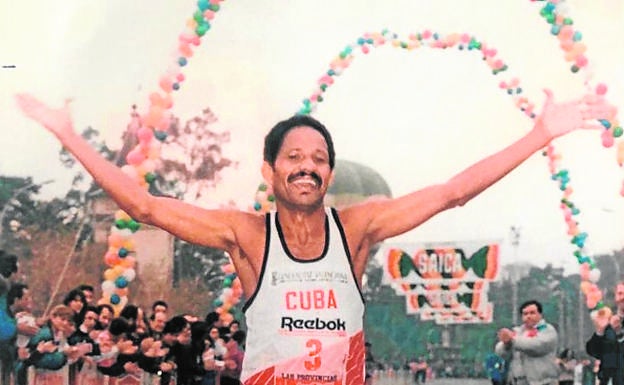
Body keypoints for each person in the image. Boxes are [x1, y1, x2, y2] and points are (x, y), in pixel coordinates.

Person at [14, 90, 615, 384]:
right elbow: (142, 205)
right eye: (293, 156)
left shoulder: (355, 228)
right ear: (270, 169)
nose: (306, 165)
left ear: (329, 170)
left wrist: (540, 134)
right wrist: (68, 133)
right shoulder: (245, 233)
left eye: (318, 157)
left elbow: (452, 191)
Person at [495, 300, 559, 385]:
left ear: (540, 315)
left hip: (543, 382)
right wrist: (506, 344)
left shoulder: (547, 330)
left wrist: (512, 340)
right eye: (525, 314)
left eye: (532, 313)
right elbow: (501, 353)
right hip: (518, 381)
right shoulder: (518, 332)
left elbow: (535, 346)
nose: (528, 316)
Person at [585, 282, 624, 385]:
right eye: (620, 293)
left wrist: (620, 334)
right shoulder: (608, 322)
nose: (622, 298)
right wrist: (600, 332)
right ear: (615, 297)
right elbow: (593, 351)